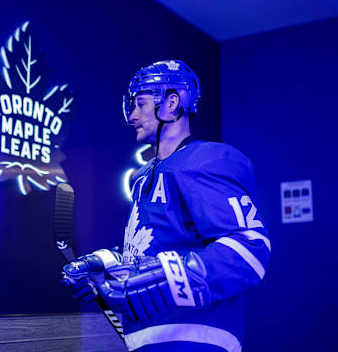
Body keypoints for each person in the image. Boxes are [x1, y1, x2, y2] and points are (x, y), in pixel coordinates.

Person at [61, 60, 270, 351]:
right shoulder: (143, 176)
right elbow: (153, 251)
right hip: (144, 338)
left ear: (172, 103)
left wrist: (173, 277)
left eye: (142, 104)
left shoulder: (204, 160)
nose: (133, 115)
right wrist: (105, 266)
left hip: (194, 337)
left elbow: (250, 249)